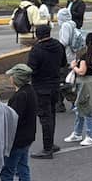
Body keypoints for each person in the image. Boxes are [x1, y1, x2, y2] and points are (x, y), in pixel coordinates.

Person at [0, 64, 37, 181]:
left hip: (16, 141)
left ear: (17, 79)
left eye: (12, 75)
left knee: (7, 174)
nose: (10, 78)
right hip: (27, 138)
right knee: (23, 170)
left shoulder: (20, 96)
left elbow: (12, 120)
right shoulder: (30, 91)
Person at [28, 24, 67, 159]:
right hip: (55, 86)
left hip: (41, 88)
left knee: (45, 118)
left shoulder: (36, 50)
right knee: (52, 115)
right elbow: (63, 64)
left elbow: (30, 69)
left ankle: (47, 149)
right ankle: (51, 144)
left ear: (38, 36)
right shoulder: (58, 45)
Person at [64, 32, 92, 147]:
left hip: (85, 84)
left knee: (86, 110)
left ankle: (90, 136)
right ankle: (78, 133)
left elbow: (82, 71)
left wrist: (73, 66)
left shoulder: (85, 55)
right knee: (80, 109)